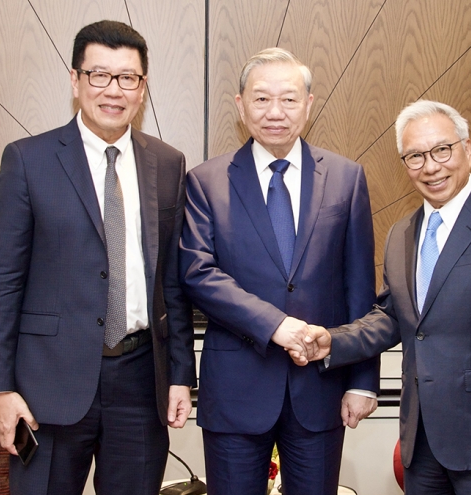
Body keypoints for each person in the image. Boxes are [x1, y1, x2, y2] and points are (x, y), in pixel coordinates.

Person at [294, 100, 471, 494]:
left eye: (442, 150)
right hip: (421, 441)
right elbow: (392, 317)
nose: (431, 166)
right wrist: (333, 340)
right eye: (415, 156)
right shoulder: (401, 234)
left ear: (467, 149)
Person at [0, 20, 196, 495]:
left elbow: (173, 283)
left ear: (143, 88)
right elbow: (2, 284)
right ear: (75, 81)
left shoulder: (168, 163)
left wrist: (181, 375)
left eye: (127, 78)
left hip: (141, 381)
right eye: (99, 75)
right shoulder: (28, 160)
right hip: (46, 384)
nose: (113, 90)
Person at [179, 47, 379, 495]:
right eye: (261, 99)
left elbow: (359, 287)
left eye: (288, 99)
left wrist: (364, 382)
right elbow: (198, 273)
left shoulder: (346, 178)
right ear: (241, 105)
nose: (275, 112)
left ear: (308, 105)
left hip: (321, 389)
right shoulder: (206, 181)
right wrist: (277, 326)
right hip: (236, 391)